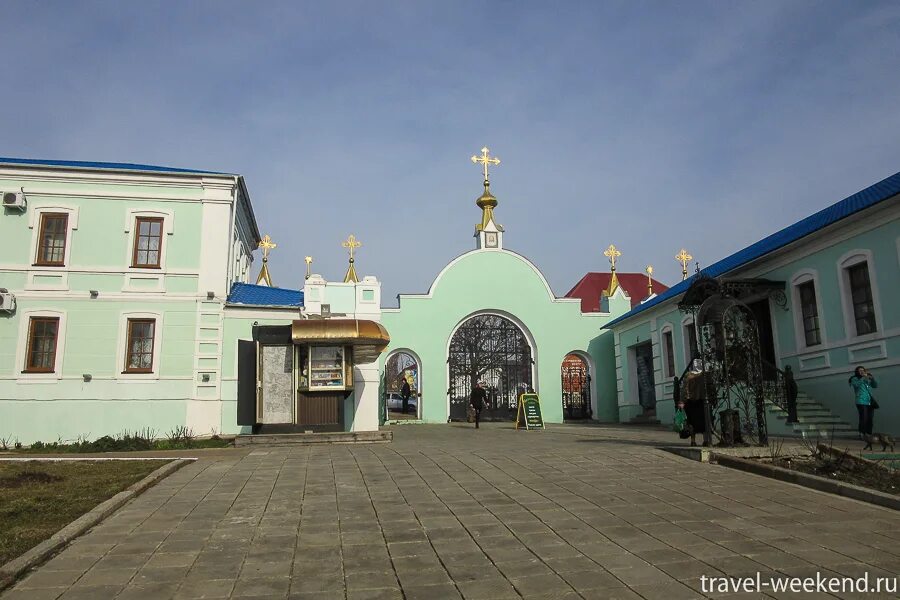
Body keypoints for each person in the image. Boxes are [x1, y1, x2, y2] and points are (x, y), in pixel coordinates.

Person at [849, 366, 878, 438]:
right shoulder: (854, 379)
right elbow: (856, 385)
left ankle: (869, 434)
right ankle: (862, 433)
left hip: (869, 401)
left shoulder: (867, 378)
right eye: (860, 370)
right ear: (857, 372)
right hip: (861, 401)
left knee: (870, 418)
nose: (862, 372)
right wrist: (863, 377)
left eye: (863, 370)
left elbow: (875, 386)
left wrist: (872, 378)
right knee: (863, 418)